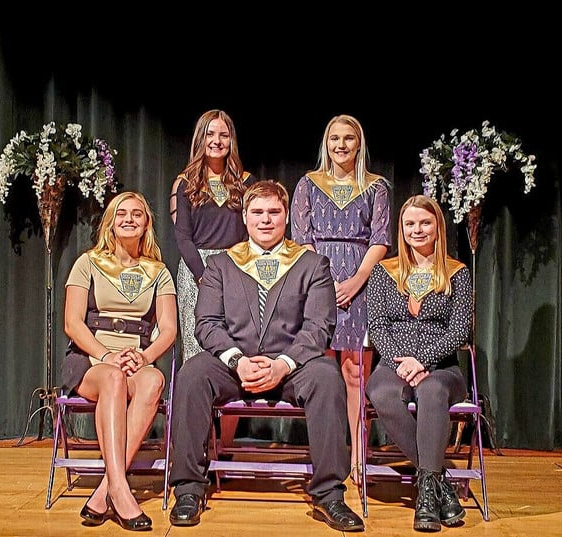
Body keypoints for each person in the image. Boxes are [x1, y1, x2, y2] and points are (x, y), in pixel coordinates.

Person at [168, 180, 364, 532]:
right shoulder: (223, 265)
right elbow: (207, 323)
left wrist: (283, 364)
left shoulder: (312, 264)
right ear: (244, 217)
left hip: (291, 365)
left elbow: (320, 325)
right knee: (193, 372)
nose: (266, 220)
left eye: (274, 212)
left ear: (286, 217)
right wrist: (237, 360)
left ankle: (330, 494)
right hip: (236, 364)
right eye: (257, 212)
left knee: (327, 376)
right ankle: (189, 488)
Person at [62, 191, 177, 531]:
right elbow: (72, 323)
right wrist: (106, 354)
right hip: (91, 359)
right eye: (121, 213)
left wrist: (144, 357)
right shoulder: (88, 263)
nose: (129, 219)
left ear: (146, 224)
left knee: (155, 380)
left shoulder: (158, 271)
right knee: (111, 378)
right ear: (110, 224)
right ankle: (122, 491)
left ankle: (107, 488)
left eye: (137, 214)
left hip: (135, 359)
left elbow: (168, 330)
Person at [291, 114, 392, 482]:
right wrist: (324, 282)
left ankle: (358, 456)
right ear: (326, 143)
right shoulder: (308, 184)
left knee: (353, 374)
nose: (341, 145)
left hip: (361, 283)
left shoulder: (376, 186)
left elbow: (381, 237)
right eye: (335, 138)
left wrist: (356, 280)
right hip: (317, 281)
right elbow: (301, 239)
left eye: (349, 138)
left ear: (359, 143)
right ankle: (326, 454)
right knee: (321, 371)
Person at [365, 194, 473, 532]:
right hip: (394, 363)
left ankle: (426, 496)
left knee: (430, 392)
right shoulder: (385, 272)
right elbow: (377, 325)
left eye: (425, 223)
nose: (417, 229)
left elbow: (459, 330)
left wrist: (423, 360)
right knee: (380, 393)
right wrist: (401, 363)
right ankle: (437, 484)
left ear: (438, 227)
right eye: (410, 223)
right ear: (402, 229)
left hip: (442, 368)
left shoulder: (457, 272)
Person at [173, 109, 257, 363]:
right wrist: (203, 276)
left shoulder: (247, 182)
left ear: (232, 140)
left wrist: (235, 271)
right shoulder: (185, 183)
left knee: (235, 343)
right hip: (196, 268)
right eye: (210, 134)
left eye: (224, 134)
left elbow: (251, 234)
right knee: (196, 343)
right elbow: (183, 238)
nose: (217, 141)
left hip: (235, 267)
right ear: (200, 139)